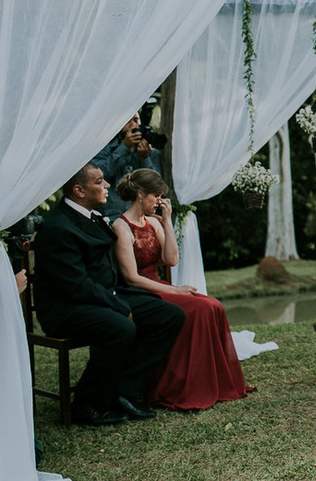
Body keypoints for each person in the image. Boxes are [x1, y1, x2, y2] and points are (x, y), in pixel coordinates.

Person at [33, 164, 184, 425]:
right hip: (66, 307)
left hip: (103, 296)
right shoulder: (59, 227)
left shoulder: (93, 216)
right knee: (121, 328)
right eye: (100, 182)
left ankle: (123, 392)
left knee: (169, 315)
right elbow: (76, 285)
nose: (106, 186)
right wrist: (117, 304)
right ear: (79, 190)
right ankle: (86, 404)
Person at [112, 169, 251, 411]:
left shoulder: (153, 222)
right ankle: (178, 386)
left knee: (213, 305)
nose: (159, 201)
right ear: (140, 194)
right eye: (156, 196)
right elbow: (131, 278)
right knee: (198, 309)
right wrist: (176, 292)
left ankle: (210, 381)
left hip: (162, 286)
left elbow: (172, 260)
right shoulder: (120, 227)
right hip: (139, 292)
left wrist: (166, 221)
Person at [92, 113, 162, 220]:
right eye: (128, 120)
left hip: (141, 217)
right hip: (110, 216)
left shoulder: (151, 153)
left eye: (136, 120)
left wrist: (145, 158)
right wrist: (123, 148)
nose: (133, 125)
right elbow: (98, 175)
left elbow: (155, 186)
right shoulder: (104, 148)